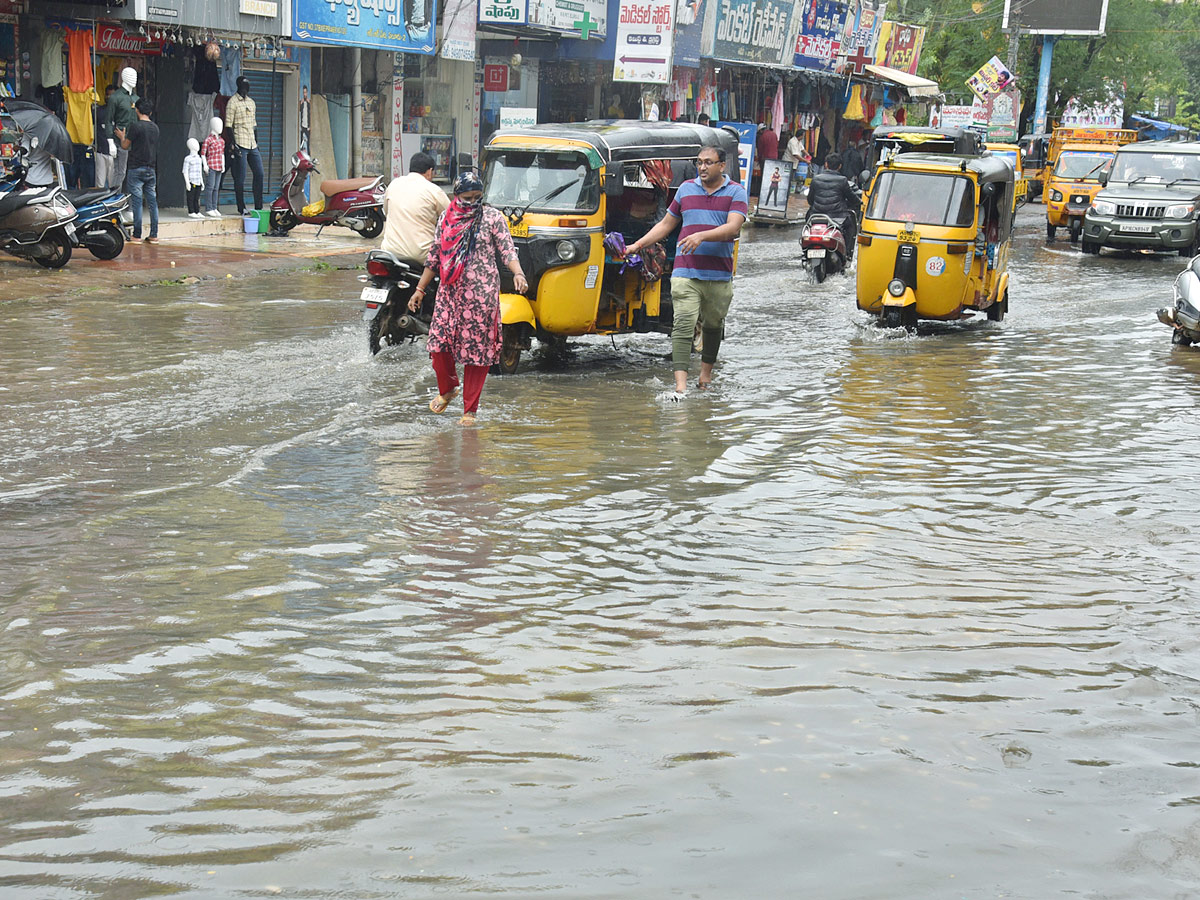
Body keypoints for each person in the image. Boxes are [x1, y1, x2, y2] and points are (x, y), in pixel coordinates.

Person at [625, 143, 748, 397]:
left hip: (719, 274)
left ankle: (705, 377)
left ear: (721, 166)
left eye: (708, 162)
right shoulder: (685, 190)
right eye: (699, 162)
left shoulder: (736, 192)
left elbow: (733, 228)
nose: (702, 167)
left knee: (714, 325)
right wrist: (636, 245)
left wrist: (701, 236)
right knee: (682, 324)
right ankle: (680, 386)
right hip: (685, 271)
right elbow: (667, 224)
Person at [407, 171, 529, 426]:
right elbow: (434, 257)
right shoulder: (446, 219)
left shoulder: (493, 218)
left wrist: (518, 273)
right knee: (438, 345)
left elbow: (507, 250)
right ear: (456, 196)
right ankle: (448, 388)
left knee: (477, 354)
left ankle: (470, 410)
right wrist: (419, 289)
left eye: (477, 197)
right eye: (467, 198)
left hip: (481, 296)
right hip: (449, 293)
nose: (472, 203)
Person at [380, 151, 450, 266]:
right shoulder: (434, 190)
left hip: (389, 251)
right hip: (421, 255)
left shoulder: (394, 184)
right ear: (430, 171)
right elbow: (452, 216)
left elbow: (387, 211)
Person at [116, 98, 159, 243]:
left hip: (136, 168)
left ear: (137, 111)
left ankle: (137, 235)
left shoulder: (135, 126)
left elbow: (125, 146)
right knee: (152, 202)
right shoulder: (155, 128)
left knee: (137, 203)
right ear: (150, 112)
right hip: (151, 169)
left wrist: (122, 137)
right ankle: (154, 234)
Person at [806, 151, 861, 257]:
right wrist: (859, 202)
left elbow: (810, 200)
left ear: (826, 164)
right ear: (839, 166)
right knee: (850, 228)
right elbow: (852, 198)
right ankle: (847, 255)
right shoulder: (843, 180)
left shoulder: (816, 179)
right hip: (838, 217)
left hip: (816, 216)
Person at [225, 76, 264, 214]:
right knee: (240, 178)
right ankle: (241, 207)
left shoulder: (252, 103)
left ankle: (259, 206)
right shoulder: (232, 102)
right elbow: (228, 126)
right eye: (245, 85)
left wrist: (257, 143)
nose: (247, 88)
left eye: (248, 85)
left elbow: (255, 125)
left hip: (252, 143)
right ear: (239, 86)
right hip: (240, 142)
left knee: (259, 173)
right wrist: (233, 144)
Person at [104, 67, 138, 191]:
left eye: (135, 75)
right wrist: (110, 142)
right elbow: (108, 120)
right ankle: (115, 202)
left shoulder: (135, 98)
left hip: (135, 141)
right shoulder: (115, 97)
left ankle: (129, 204)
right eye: (131, 76)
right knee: (120, 172)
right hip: (120, 140)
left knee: (133, 173)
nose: (134, 79)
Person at [201, 116, 225, 218]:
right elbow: (203, 153)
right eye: (218, 125)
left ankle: (214, 207)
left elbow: (222, 153)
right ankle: (209, 208)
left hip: (219, 165)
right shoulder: (208, 140)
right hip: (211, 165)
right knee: (210, 187)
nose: (220, 127)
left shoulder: (222, 140)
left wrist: (223, 164)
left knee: (216, 187)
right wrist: (205, 165)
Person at [94, 84, 115, 189]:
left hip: (115, 153)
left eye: (111, 95)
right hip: (101, 151)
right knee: (100, 184)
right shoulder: (99, 111)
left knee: (114, 184)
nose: (109, 97)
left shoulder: (120, 112)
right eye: (107, 95)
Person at [182, 138, 206, 219]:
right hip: (192, 181)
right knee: (191, 197)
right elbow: (185, 171)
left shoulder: (199, 159)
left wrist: (202, 182)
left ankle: (197, 211)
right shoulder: (188, 159)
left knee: (197, 197)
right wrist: (187, 182)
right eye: (194, 144)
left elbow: (200, 171)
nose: (197, 146)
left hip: (198, 181)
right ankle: (191, 211)